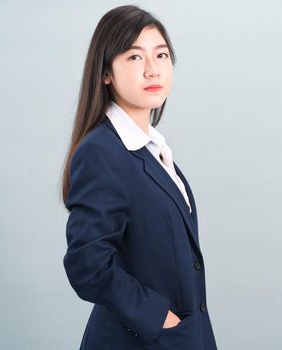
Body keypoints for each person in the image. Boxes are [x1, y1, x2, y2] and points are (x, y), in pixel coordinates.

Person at [60, 5, 217, 349]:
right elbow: (88, 264)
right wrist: (160, 318)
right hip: (142, 340)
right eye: (134, 57)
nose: (152, 69)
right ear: (106, 73)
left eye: (161, 55)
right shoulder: (102, 151)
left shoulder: (152, 148)